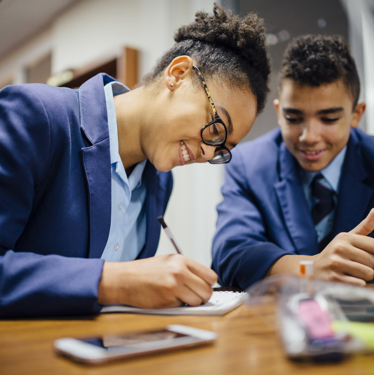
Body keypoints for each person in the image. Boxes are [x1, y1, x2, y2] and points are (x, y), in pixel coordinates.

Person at [0, 4, 270, 318]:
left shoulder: (160, 180)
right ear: (178, 74)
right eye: (216, 128)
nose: (208, 153)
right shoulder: (35, 116)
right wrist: (114, 281)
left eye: (223, 148)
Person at [212, 34, 374, 290]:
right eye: (293, 118)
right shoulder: (248, 165)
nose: (309, 137)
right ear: (278, 112)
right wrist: (310, 269)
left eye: (329, 119)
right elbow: (231, 255)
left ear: (356, 115)